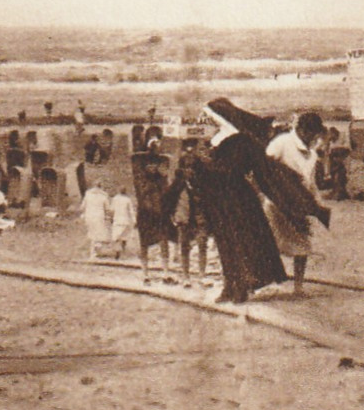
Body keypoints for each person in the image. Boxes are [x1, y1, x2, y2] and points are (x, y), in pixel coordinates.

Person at [194, 98, 329, 304]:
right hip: (220, 201)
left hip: (238, 199)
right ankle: (229, 287)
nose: (208, 121)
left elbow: (240, 171)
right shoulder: (215, 140)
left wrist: (206, 163)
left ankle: (241, 288)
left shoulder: (243, 141)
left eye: (210, 117)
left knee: (240, 244)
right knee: (225, 245)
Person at [265, 112, 326, 296]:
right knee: (271, 245)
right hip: (277, 204)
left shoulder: (312, 153)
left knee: (303, 245)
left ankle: (298, 287)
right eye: (310, 134)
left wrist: (317, 204)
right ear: (300, 130)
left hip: (299, 205)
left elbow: (311, 181)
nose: (312, 139)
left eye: (315, 135)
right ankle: (268, 281)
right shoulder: (281, 143)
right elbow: (264, 166)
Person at [163, 138, 211, 287]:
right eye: (186, 167)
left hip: (200, 218)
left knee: (202, 244)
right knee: (185, 247)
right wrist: (173, 217)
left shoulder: (202, 185)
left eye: (192, 167)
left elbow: (208, 201)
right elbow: (168, 200)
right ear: (182, 169)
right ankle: (185, 276)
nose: (189, 170)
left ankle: (202, 275)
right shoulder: (178, 185)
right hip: (183, 219)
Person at [131, 138, 176, 284]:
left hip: (160, 211)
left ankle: (166, 272)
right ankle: (145, 274)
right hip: (146, 211)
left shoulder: (162, 181)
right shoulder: (141, 179)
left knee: (164, 241)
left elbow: (166, 186)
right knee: (144, 243)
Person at [81, 179, 113, 259]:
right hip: (99, 216)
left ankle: (94, 252)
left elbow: (82, 206)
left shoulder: (88, 194)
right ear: (101, 186)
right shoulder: (103, 196)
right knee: (98, 235)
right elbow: (108, 208)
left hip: (89, 216)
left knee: (92, 233)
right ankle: (94, 253)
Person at [108, 185, 137, 259]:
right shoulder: (127, 200)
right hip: (125, 220)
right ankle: (122, 251)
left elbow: (111, 209)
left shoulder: (115, 199)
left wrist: (110, 218)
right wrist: (134, 220)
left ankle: (118, 251)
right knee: (124, 237)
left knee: (116, 237)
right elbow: (131, 211)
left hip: (117, 220)